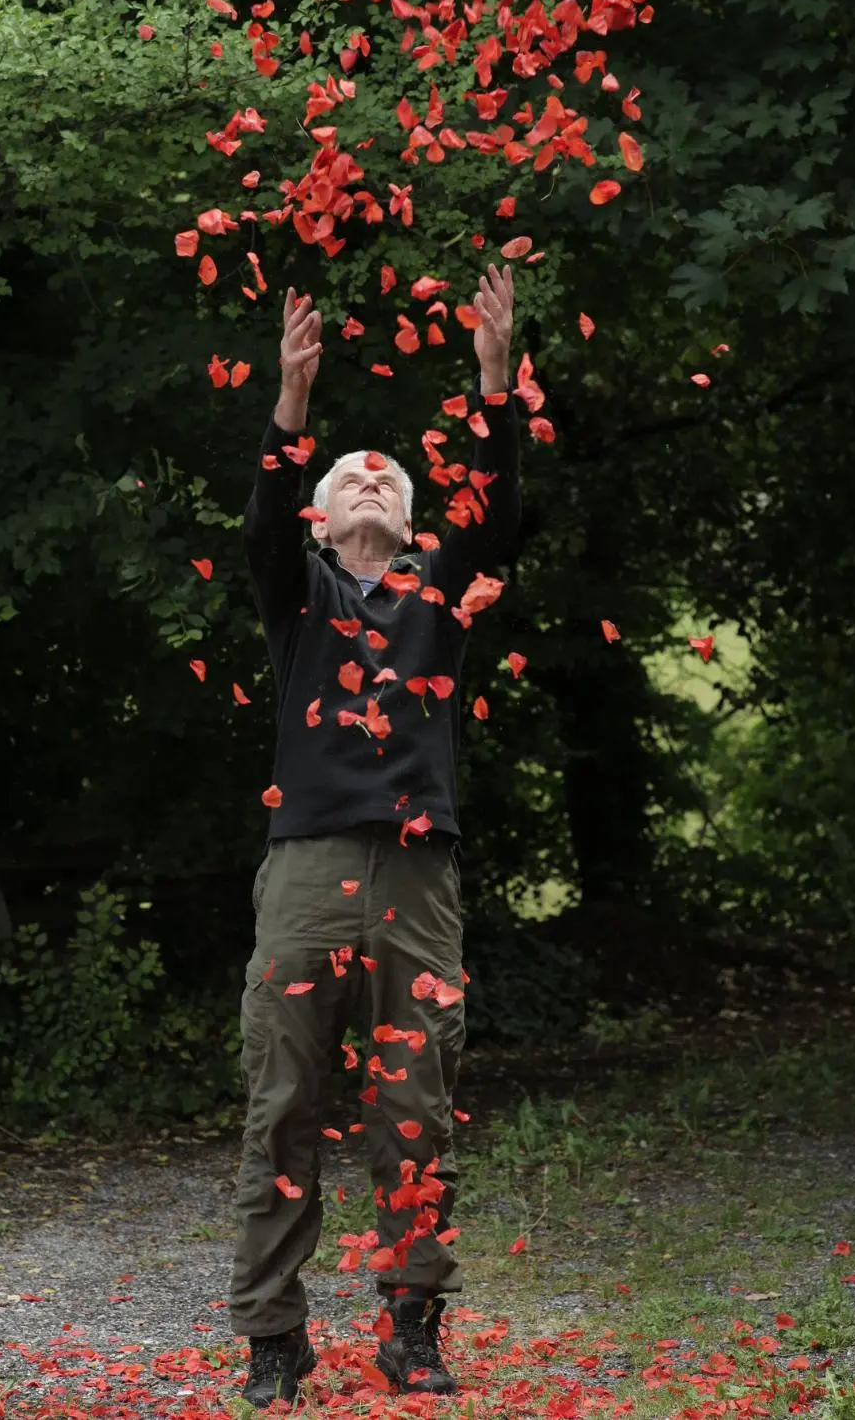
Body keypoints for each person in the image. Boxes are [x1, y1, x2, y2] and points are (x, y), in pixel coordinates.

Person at [230, 264, 520, 1409]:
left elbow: (495, 516)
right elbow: (258, 524)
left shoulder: (441, 597)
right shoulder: (297, 594)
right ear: (323, 509)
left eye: (386, 473)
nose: (367, 475)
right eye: (348, 470)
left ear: (406, 521)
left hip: (417, 876)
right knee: (283, 1099)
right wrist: (292, 404)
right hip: (304, 872)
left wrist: (495, 383)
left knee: (416, 1106)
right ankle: (274, 1338)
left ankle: (411, 1328)